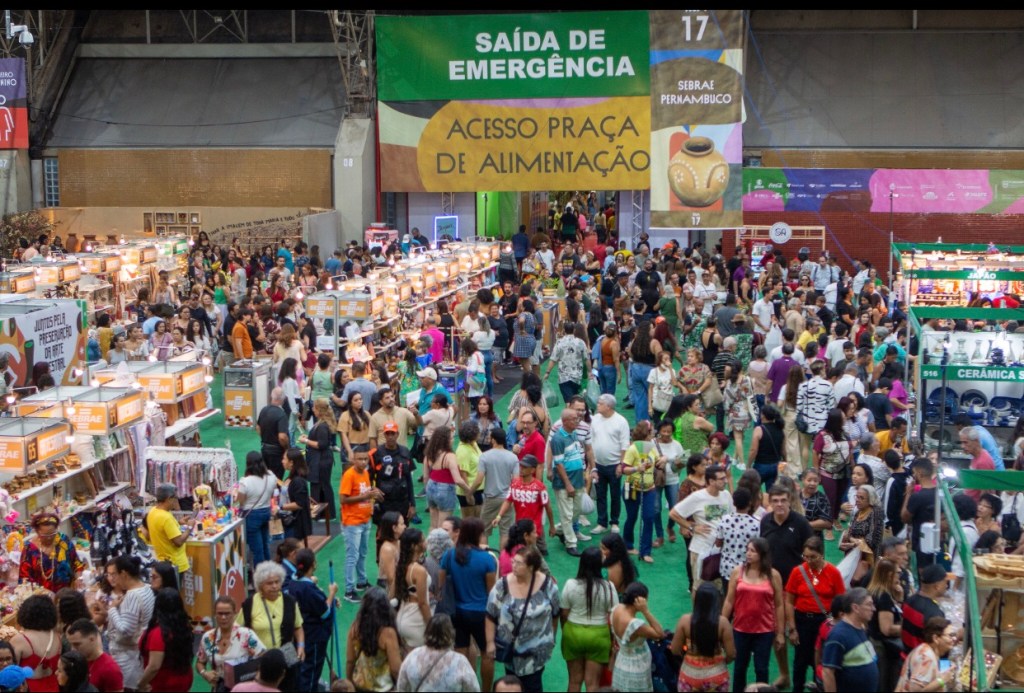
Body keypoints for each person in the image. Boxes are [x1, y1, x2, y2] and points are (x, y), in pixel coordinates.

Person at [485, 545, 561, 693]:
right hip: (510, 652)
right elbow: (490, 614)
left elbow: (556, 614)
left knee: (533, 686)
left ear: (531, 567)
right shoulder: (502, 585)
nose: (513, 565)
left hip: (536, 654)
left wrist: (551, 637)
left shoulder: (547, 585)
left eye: (519, 563)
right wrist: (489, 643)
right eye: (514, 561)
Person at [439, 517, 497, 691]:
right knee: (487, 654)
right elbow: (491, 592)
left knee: (460, 654)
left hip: (457, 612)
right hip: (481, 614)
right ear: (478, 535)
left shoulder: (449, 555)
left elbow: (441, 585)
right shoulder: (487, 559)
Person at [785, 536, 846, 693]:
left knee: (820, 661)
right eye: (806, 556)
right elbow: (789, 601)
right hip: (802, 620)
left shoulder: (833, 572)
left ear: (822, 554)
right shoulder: (797, 572)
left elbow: (840, 601)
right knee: (800, 661)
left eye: (813, 557)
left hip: (823, 622)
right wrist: (792, 628)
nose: (809, 560)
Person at [723, 538, 785, 693]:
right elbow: (729, 601)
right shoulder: (738, 571)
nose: (748, 554)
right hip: (740, 629)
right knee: (739, 669)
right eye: (747, 550)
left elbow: (779, 605)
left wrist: (780, 633)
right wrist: (722, 624)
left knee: (762, 669)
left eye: (753, 551)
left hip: (764, 631)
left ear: (762, 554)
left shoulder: (773, 575)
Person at [238, 561, 304, 690]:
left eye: (277, 582)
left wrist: (301, 646)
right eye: (269, 583)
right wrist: (248, 648)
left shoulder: (290, 601)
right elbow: (239, 630)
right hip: (259, 660)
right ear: (260, 585)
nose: (274, 586)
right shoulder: (250, 604)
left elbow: (298, 627)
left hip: (287, 656)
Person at [560, 547, 617, 692]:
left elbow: (564, 613)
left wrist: (565, 630)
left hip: (573, 633)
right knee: (593, 684)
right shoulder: (609, 587)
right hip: (599, 636)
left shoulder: (570, 584)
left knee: (574, 681)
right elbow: (614, 615)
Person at [670, 464, 734, 593]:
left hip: (721, 551)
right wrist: (692, 527)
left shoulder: (726, 495)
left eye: (725, 478)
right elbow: (673, 513)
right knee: (699, 588)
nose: (725, 481)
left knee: (720, 588)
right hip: (701, 550)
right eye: (721, 479)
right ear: (711, 481)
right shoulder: (697, 497)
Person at [285, 549, 337, 691]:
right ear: (313, 564)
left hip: (302, 633)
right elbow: (325, 612)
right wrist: (331, 594)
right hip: (314, 636)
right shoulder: (308, 589)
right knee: (311, 673)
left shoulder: (293, 581)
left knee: (302, 670)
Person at [102, 555, 155, 692]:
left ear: (124, 574)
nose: (115, 579)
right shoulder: (147, 588)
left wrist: (112, 609)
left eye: (116, 574)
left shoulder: (132, 595)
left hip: (127, 658)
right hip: (137, 654)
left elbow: (125, 630)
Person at [671, 583, 736, 692]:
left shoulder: (685, 620)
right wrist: (721, 662)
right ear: (717, 601)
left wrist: (688, 657)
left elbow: (675, 649)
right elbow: (731, 654)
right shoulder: (723, 623)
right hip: (717, 676)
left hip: (689, 675)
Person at [395, 614, 482, 692]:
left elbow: (401, 686)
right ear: (450, 634)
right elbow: (473, 688)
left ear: (427, 632)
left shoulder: (413, 656)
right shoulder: (460, 662)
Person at [195, 596, 265, 692]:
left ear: (235, 614)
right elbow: (200, 662)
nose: (223, 617)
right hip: (219, 688)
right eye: (220, 613)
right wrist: (205, 673)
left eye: (227, 613)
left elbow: (264, 657)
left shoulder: (247, 635)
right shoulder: (207, 637)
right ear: (215, 614)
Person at [340, 448, 383, 602]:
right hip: (352, 522)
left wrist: (373, 490)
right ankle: (349, 590)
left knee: (363, 553)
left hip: (365, 519)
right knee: (352, 556)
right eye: (359, 459)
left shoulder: (365, 473)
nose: (363, 462)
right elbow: (343, 499)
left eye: (365, 459)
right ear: (353, 459)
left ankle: (361, 581)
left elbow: (364, 491)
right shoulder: (349, 475)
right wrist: (366, 495)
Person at [547, 408, 590, 557]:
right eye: (573, 419)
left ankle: (559, 530)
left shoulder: (574, 434)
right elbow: (559, 464)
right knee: (567, 514)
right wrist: (568, 483)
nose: (577, 420)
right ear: (565, 421)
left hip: (577, 479)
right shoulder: (558, 439)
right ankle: (570, 543)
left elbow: (577, 456)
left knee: (576, 511)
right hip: (565, 483)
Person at [821, 587, 878, 693]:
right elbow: (828, 672)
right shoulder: (838, 635)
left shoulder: (861, 628)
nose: (873, 608)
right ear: (855, 608)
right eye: (869, 604)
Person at [344, 588, 401, 692]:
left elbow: (350, 661)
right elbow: (395, 669)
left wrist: (349, 681)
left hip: (359, 685)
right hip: (383, 688)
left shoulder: (355, 628)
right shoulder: (388, 634)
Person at [136, 588, 193, 692]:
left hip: (164, 684)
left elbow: (154, 666)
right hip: (183, 679)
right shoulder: (182, 627)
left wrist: (141, 684)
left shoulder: (159, 633)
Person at [610, 582, 664, 692]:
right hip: (636, 669)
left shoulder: (617, 609)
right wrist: (646, 611)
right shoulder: (634, 624)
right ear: (639, 600)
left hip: (621, 662)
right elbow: (660, 633)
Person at [620, 420, 661, 564]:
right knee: (631, 517)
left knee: (648, 518)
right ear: (647, 432)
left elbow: (657, 463)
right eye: (652, 431)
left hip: (649, 488)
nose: (654, 433)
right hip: (631, 487)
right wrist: (637, 469)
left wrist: (662, 461)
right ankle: (628, 545)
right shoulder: (632, 449)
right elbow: (624, 469)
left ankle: (645, 551)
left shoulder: (653, 447)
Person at [18, 511, 84, 594]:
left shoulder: (63, 541)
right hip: (42, 598)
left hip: (66, 594)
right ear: (37, 531)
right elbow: (24, 579)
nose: (49, 538)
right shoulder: (29, 549)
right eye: (45, 535)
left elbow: (76, 563)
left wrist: (79, 578)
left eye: (53, 534)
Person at [591, 394, 630, 535]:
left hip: (614, 465)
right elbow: (591, 441)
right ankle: (602, 522)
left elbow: (625, 444)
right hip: (598, 464)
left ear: (608, 406)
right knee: (600, 494)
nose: (597, 405)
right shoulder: (594, 419)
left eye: (600, 403)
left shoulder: (621, 421)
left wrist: (621, 464)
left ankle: (614, 522)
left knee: (614, 495)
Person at [813, 409, 856, 531]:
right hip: (827, 473)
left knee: (839, 497)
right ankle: (828, 526)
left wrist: (853, 468)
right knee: (830, 498)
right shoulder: (822, 436)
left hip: (844, 472)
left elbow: (850, 451)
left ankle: (835, 518)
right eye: (842, 418)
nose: (845, 419)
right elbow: (815, 452)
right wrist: (817, 472)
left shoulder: (845, 434)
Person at [424, 426, 474, 530]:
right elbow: (457, 479)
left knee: (433, 525)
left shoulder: (429, 454)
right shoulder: (449, 456)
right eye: (451, 438)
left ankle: (431, 545)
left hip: (430, 487)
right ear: (444, 441)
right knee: (443, 527)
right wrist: (469, 491)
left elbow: (425, 477)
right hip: (445, 489)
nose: (453, 440)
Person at [866, 558, 905, 691]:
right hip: (882, 648)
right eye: (897, 573)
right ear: (889, 575)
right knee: (883, 684)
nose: (900, 575)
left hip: (873, 642)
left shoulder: (874, 591)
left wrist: (899, 598)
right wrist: (907, 629)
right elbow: (887, 629)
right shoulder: (883, 597)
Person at [141, 485, 193, 582]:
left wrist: (178, 523)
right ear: (169, 499)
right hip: (174, 563)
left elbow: (163, 530)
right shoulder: (166, 517)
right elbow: (178, 541)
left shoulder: (152, 512)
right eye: (175, 498)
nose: (176, 501)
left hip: (162, 561)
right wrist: (190, 527)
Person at [298, 399, 338, 525]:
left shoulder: (322, 426)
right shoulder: (322, 423)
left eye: (315, 408)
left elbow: (322, 444)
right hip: (321, 460)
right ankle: (326, 513)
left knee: (320, 486)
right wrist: (308, 439)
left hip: (321, 461)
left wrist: (306, 441)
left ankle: (321, 513)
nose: (313, 410)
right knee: (322, 485)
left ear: (320, 410)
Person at [479, 428, 521, 547]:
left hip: (490, 498)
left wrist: (470, 490)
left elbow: (479, 479)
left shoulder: (484, 456)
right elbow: (516, 481)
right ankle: (503, 562)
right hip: (507, 499)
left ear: (493, 440)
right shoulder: (513, 457)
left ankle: (486, 559)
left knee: (483, 532)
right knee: (505, 532)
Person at [237, 451, 278, 571]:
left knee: (257, 549)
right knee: (265, 544)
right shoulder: (271, 476)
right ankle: (269, 571)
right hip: (266, 512)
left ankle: (261, 576)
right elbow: (272, 493)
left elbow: (241, 501)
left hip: (252, 515)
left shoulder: (245, 482)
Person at [10, 595, 61, 692]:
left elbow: (10, 673)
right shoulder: (56, 637)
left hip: (30, 688)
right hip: (53, 687)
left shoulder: (20, 639)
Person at [896, 616, 958, 692]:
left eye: (954, 635)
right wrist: (943, 679)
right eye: (950, 635)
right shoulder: (926, 657)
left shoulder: (927, 650)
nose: (954, 639)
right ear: (935, 638)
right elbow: (915, 690)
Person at [716, 487, 763, 583]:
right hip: (746, 569)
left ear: (734, 503)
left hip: (726, 568)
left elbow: (718, 543)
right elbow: (758, 547)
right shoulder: (756, 524)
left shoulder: (725, 519)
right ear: (750, 502)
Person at [901, 564, 950, 653]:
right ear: (937, 586)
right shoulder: (935, 614)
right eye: (945, 582)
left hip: (907, 656)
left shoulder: (909, 601)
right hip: (922, 661)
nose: (947, 586)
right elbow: (939, 647)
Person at [66, 619, 122, 693]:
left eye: (77, 644)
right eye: (71, 645)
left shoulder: (110, 669)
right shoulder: (75, 661)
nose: (73, 649)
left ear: (92, 639)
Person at [748, 404, 786, 491]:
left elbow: (753, 450)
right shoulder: (780, 429)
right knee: (772, 493)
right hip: (776, 466)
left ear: (763, 415)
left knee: (752, 491)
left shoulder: (759, 429)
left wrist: (748, 465)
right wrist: (784, 463)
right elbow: (783, 451)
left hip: (761, 465)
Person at [280, 448, 313, 544]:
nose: (282, 461)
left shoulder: (298, 481)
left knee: (293, 552)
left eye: (284, 459)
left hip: (295, 524)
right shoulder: (292, 477)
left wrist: (280, 507)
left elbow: (300, 504)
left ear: (291, 462)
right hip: (289, 521)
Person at [257, 388, 291, 479]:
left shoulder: (264, 410)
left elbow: (258, 427)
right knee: (276, 480)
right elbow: (282, 437)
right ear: (282, 399)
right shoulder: (281, 414)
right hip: (277, 452)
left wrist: (265, 438)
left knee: (265, 478)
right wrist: (287, 448)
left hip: (264, 448)